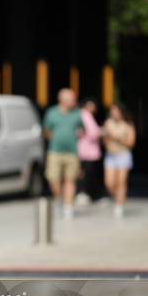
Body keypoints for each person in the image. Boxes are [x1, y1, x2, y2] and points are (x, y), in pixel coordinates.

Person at [43, 88, 84, 218]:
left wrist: (80, 134)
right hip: (55, 151)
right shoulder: (52, 113)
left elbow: (82, 129)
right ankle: (60, 199)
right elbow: (46, 131)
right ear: (63, 100)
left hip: (72, 152)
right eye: (72, 98)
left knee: (70, 180)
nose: (75, 101)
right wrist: (55, 138)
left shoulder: (77, 113)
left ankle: (68, 206)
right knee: (53, 179)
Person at [102, 101, 136, 217]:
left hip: (123, 155)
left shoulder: (128, 124)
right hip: (111, 155)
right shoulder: (108, 123)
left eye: (117, 111)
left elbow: (130, 143)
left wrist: (116, 138)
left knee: (121, 182)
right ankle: (118, 197)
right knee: (109, 183)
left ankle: (119, 205)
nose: (115, 113)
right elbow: (105, 141)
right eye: (113, 111)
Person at [76, 97, 103, 204]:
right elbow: (93, 133)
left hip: (86, 150)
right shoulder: (84, 114)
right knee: (85, 173)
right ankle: (83, 193)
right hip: (86, 151)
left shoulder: (85, 115)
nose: (93, 107)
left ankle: (85, 194)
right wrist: (101, 132)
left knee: (86, 173)